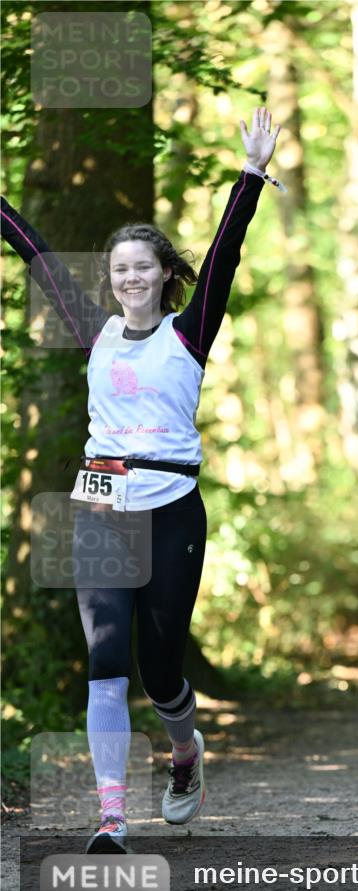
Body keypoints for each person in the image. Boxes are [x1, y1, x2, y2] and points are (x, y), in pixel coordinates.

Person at [1, 107, 281, 853]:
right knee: (104, 659)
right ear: (111, 279)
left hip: (172, 508)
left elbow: (224, 254)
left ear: (162, 275)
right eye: (119, 268)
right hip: (98, 506)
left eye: (142, 267)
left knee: (160, 669)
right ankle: (113, 815)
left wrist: (249, 177)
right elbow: (36, 258)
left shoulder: (187, 332)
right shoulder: (91, 329)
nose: (129, 278)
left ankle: (184, 754)